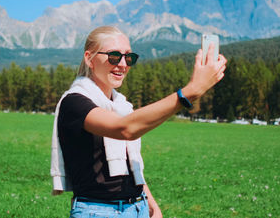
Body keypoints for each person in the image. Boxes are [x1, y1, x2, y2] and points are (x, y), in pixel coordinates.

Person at [51, 26, 227, 218]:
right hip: (98, 211)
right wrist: (189, 93)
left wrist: (150, 204)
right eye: (114, 56)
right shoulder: (74, 103)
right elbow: (125, 129)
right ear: (89, 58)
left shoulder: (121, 106)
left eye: (129, 57)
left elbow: (130, 163)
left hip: (138, 207)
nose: (123, 64)